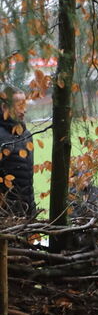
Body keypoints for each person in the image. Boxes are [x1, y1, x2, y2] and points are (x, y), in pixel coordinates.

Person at [0, 84, 34, 218]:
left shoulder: (27, 135)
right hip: (5, 218)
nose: (24, 110)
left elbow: (28, 178)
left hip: (26, 215)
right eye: (19, 105)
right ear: (5, 108)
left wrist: (31, 210)